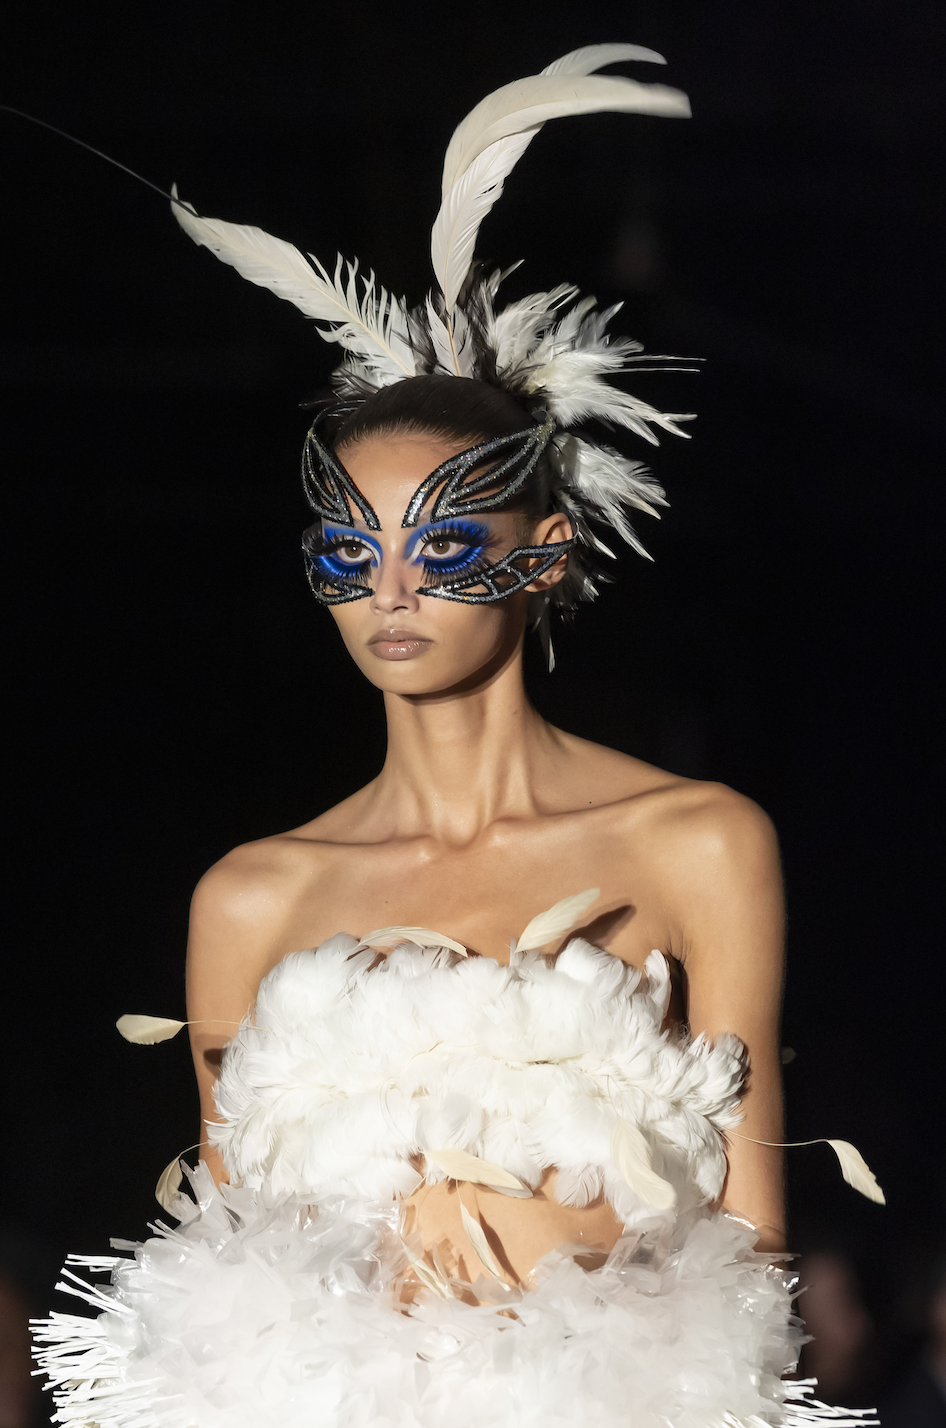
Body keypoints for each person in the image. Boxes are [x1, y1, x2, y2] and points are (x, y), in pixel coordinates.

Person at [32, 43, 881, 1428]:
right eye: (346, 548)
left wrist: (576, 1260)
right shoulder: (256, 894)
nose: (391, 589)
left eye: (441, 542)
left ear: (545, 556)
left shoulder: (695, 842)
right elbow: (220, 1287)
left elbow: (759, 1262)